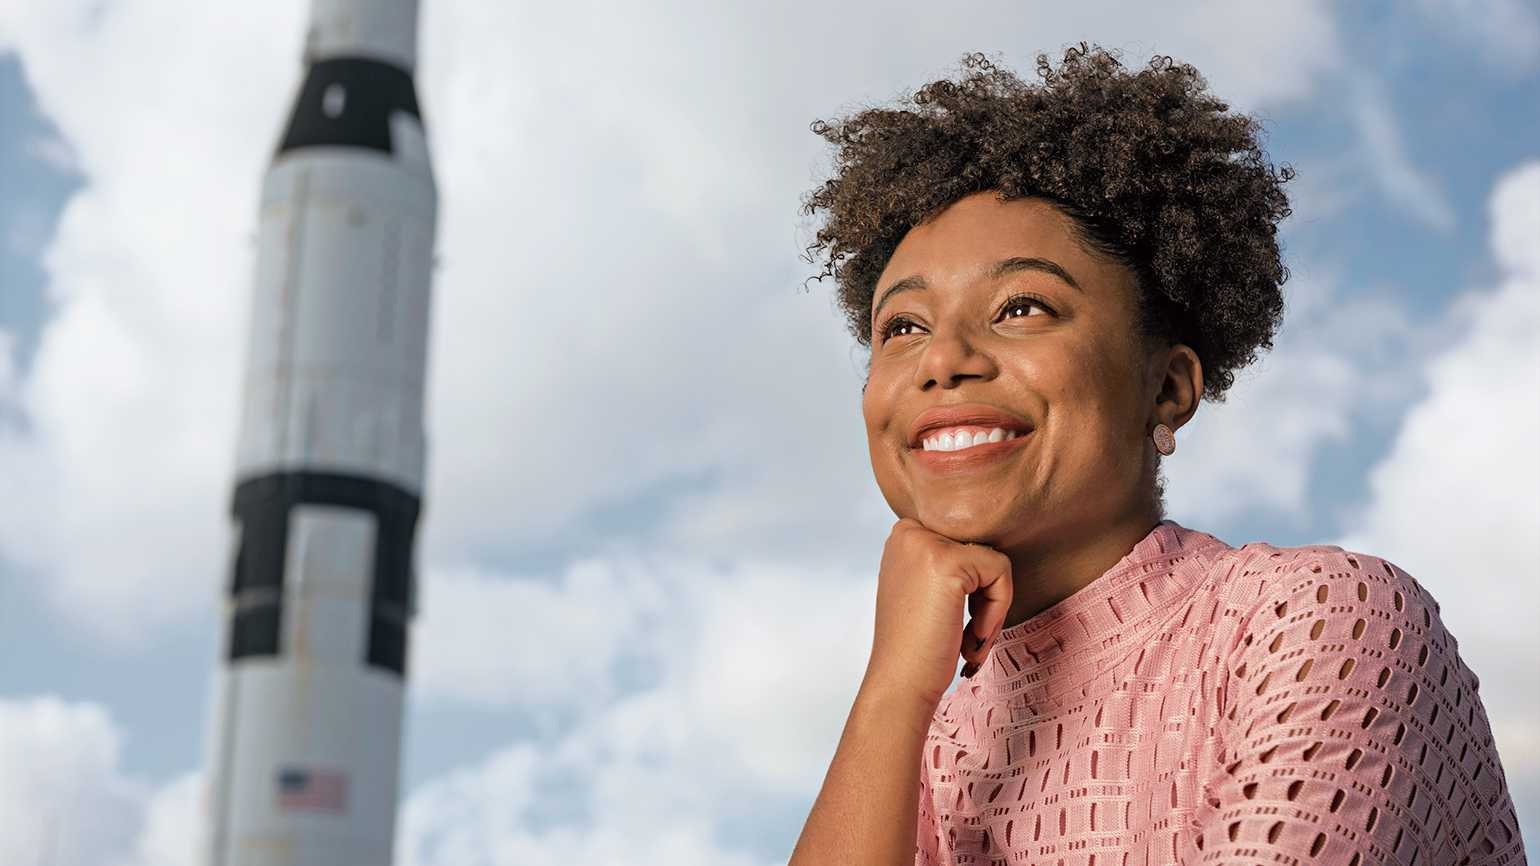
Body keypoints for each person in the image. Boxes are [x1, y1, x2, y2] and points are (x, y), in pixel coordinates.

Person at [787, 44, 1526, 866]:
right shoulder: (932, 745)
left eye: (1022, 306)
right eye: (903, 328)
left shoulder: (1318, 619)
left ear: (1169, 388)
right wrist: (891, 696)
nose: (942, 359)